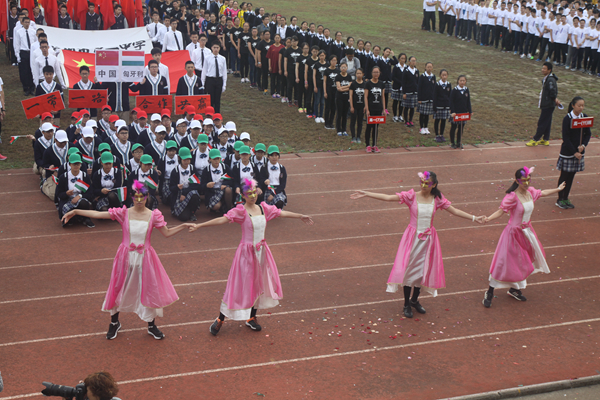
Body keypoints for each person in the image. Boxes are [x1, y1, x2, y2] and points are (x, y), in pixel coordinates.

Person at [62, 180, 191, 340]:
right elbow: (99, 214)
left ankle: (151, 325)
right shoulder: (124, 213)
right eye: (136, 196)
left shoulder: (153, 215)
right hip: (124, 257)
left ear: (147, 196)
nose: (138, 200)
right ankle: (114, 323)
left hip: (146, 258)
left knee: (148, 289)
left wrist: (183, 226)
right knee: (117, 288)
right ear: (131, 197)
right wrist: (76, 212)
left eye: (142, 196)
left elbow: (167, 232)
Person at [350, 171, 485, 318]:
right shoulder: (411, 196)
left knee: (422, 271)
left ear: (434, 185)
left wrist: (474, 218)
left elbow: (454, 210)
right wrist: (367, 193)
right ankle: (406, 304)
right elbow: (389, 197)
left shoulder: (437, 198)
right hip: (412, 238)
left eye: (427, 183)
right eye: (421, 182)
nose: (423, 185)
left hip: (428, 240)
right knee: (409, 271)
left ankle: (415, 300)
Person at [189, 178, 313, 335]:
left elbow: (281, 213)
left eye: (254, 192)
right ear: (243, 195)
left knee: (258, 284)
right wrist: (200, 225)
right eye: (249, 193)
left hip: (261, 253)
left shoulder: (263, 208)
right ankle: (221, 318)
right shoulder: (241, 211)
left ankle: (251, 318)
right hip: (246, 255)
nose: (253, 195)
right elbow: (223, 219)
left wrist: (300, 215)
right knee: (238, 286)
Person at [482, 167, 565, 308]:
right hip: (513, 234)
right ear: (517, 181)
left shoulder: (530, 192)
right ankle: (489, 292)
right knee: (503, 263)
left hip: (526, 232)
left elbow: (542, 193)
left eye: (528, 180)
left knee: (524, 262)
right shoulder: (512, 196)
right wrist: (488, 219)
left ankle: (514, 289)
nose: (526, 183)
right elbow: (501, 211)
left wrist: (557, 189)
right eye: (523, 181)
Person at [555, 96, 591, 210]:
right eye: (579, 105)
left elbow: (588, 134)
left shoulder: (584, 117)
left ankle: (566, 198)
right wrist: (574, 151)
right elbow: (566, 137)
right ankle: (560, 198)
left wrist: (583, 146)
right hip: (568, 152)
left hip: (579, 152)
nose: (581, 108)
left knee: (571, 176)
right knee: (564, 176)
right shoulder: (568, 118)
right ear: (573, 105)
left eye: (583, 106)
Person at [56, 153, 95, 228]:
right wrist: (66, 193)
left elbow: (90, 193)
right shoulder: (63, 177)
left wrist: (80, 196)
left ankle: (86, 218)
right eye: (74, 164)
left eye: (78, 164)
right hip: (67, 200)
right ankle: (76, 217)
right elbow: (59, 194)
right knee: (68, 221)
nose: (76, 166)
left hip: (80, 199)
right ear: (70, 164)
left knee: (84, 202)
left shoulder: (84, 176)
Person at [527, 62, 560, 147]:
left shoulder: (550, 80)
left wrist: (554, 99)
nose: (542, 70)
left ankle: (535, 139)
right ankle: (545, 139)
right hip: (546, 103)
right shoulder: (546, 79)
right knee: (547, 121)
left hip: (548, 104)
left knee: (542, 122)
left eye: (544, 69)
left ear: (549, 70)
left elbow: (553, 92)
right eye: (542, 68)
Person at [201, 148, 234, 213]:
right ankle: (219, 207)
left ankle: (228, 209)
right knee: (216, 206)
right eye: (214, 159)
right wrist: (207, 185)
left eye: (218, 158)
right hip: (212, 193)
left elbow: (232, 179)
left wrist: (225, 183)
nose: (216, 161)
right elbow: (201, 186)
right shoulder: (206, 170)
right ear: (210, 159)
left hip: (223, 191)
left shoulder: (225, 167)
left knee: (228, 190)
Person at [364, 66, 386, 153]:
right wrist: (367, 109)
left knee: (376, 127)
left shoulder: (381, 84)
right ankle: (367, 145)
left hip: (378, 108)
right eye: (374, 72)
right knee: (369, 127)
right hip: (371, 108)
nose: (376, 74)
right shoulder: (368, 84)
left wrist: (384, 109)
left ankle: (374, 145)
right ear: (371, 73)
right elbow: (365, 97)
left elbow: (383, 97)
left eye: (377, 72)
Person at [201, 42, 228, 113]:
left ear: (219, 48)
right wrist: (203, 82)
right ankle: (210, 113)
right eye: (214, 47)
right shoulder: (207, 58)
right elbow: (204, 70)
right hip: (210, 79)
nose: (216, 49)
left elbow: (224, 71)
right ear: (211, 48)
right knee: (210, 98)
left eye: (217, 48)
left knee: (217, 99)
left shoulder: (223, 59)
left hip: (219, 79)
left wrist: (224, 83)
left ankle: (217, 113)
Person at [14, 17, 37, 95]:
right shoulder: (19, 32)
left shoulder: (33, 32)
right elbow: (17, 44)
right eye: (26, 22)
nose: (27, 24)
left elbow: (35, 43)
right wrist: (18, 56)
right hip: (23, 52)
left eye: (28, 22)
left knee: (32, 70)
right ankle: (26, 88)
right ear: (22, 23)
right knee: (24, 71)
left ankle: (32, 88)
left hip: (31, 52)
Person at [449, 74, 472, 149]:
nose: (462, 82)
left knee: (461, 128)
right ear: (458, 81)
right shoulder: (454, 90)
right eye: (460, 80)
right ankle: (452, 142)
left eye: (463, 81)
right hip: (456, 113)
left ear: (465, 81)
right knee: (454, 127)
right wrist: (452, 111)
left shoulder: (466, 90)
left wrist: (470, 111)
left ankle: (459, 142)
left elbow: (468, 101)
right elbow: (451, 101)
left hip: (463, 113)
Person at [417, 62, 436, 135]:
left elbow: (434, 88)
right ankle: (421, 127)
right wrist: (419, 98)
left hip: (430, 98)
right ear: (425, 67)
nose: (429, 68)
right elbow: (419, 88)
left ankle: (426, 127)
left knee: (427, 114)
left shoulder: (433, 76)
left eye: (430, 67)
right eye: (428, 67)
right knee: (422, 114)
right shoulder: (422, 76)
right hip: (423, 99)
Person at [433, 69, 451, 143]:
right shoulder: (437, 85)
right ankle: (437, 135)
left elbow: (450, 96)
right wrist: (435, 107)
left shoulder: (449, 85)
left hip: (446, 106)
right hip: (438, 106)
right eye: (443, 75)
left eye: (445, 75)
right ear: (440, 75)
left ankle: (441, 134)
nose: (444, 76)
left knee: (443, 121)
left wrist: (450, 106)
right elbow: (434, 96)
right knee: (437, 120)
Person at [334, 61, 352, 137]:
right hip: (339, 98)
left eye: (345, 67)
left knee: (345, 115)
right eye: (342, 67)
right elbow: (338, 89)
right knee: (339, 114)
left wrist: (342, 87)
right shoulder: (338, 76)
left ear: (347, 68)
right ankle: (339, 130)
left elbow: (351, 87)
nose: (343, 68)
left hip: (346, 98)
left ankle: (344, 130)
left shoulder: (349, 76)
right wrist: (347, 87)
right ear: (340, 68)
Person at [349, 68, 366, 144]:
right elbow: (351, 96)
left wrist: (365, 106)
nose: (358, 75)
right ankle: (353, 136)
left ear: (363, 74)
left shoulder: (365, 84)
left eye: (360, 73)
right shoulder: (353, 84)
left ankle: (358, 136)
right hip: (355, 106)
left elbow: (366, 96)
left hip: (362, 106)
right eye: (357, 73)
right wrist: (351, 106)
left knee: (360, 122)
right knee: (353, 121)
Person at [402, 56, 419, 128]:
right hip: (407, 92)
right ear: (409, 62)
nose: (413, 62)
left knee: (412, 107)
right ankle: (406, 121)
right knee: (406, 107)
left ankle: (410, 120)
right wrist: (404, 93)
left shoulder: (417, 71)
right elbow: (403, 82)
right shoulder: (406, 71)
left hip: (414, 92)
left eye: (415, 61)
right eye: (412, 61)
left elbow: (418, 82)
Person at [323, 55, 339, 130]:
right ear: (330, 61)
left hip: (335, 91)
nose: (334, 62)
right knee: (328, 107)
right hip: (328, 90)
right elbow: (324, 82)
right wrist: (325, 92)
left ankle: (331, 122)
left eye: (335, 60)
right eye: (333, 60)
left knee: (334, 108)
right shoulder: (327, 70)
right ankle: (326, 123)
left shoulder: (338, 70)